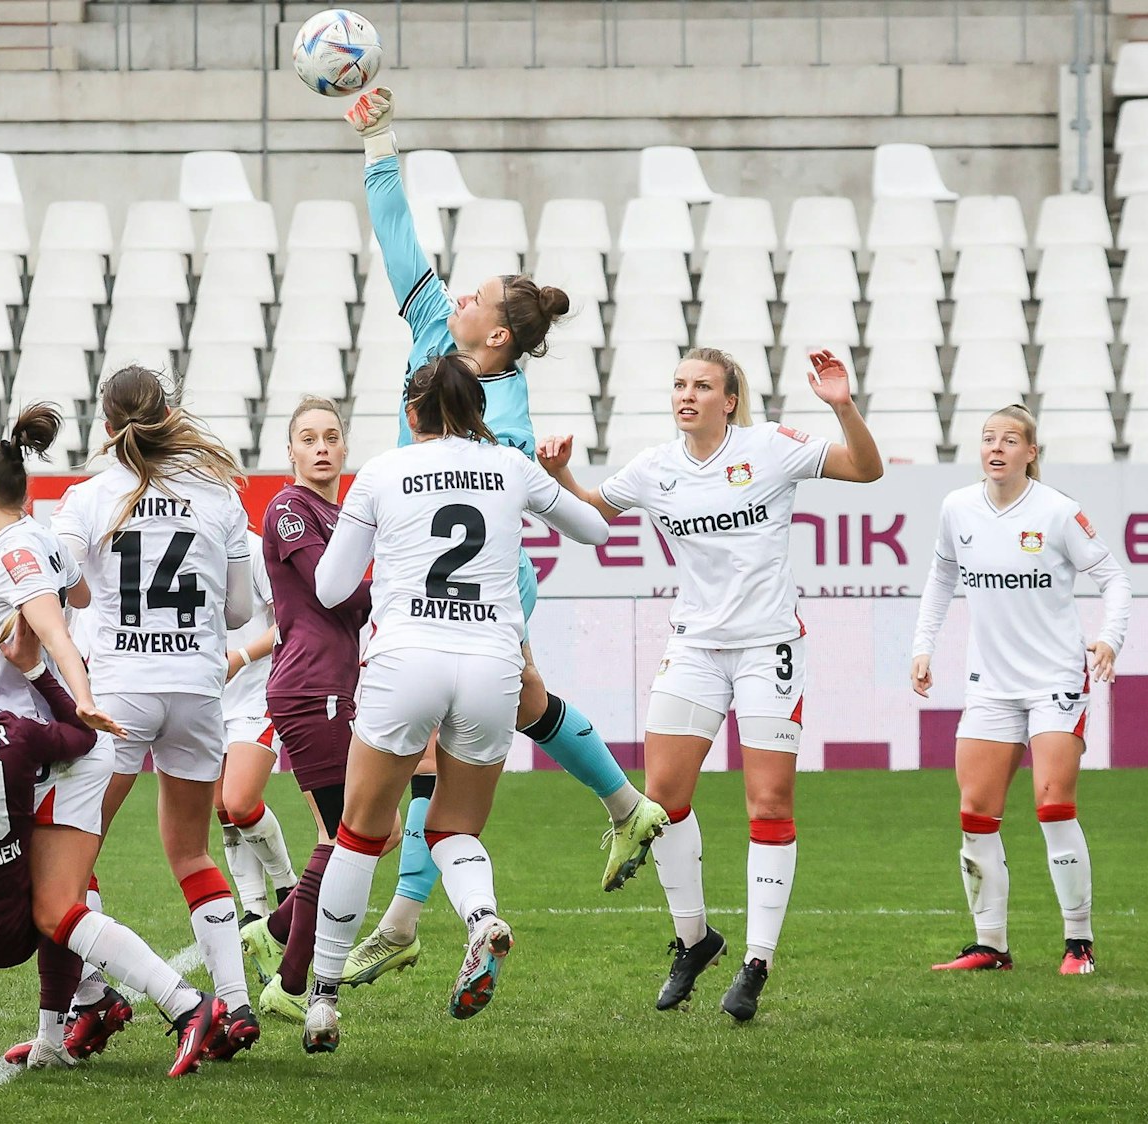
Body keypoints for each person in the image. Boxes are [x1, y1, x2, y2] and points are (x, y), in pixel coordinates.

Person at [340, 85, 668, 985]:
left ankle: (407, 920)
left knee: (428, 753)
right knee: (508, 716)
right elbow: (396, 230)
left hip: (477, 580)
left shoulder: (503, 410)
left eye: (474, 292)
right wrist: (379, 141)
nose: (456, 290)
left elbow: (505, 492)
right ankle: (624, 803)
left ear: (495, 330)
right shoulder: (434, 328)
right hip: (444, 579)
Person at [538, 347, 884, 1021]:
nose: (686, 394)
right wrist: (560, 475)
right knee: (661, 802)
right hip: (694, 646)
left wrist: (842, 405)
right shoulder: (655, 466)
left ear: (729, 399)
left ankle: (756, 962)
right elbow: (591, 519)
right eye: (678, 384)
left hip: (768, 647)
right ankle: (694, 939)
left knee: (769, 803)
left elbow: (866, 470)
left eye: (702, 385)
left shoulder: (772, 447)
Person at [300, 356, 613, 1053]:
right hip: (491, 663)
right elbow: (595, 530)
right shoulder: (509, 466)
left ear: (414, 415)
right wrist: (555, 475)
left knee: (357, 830)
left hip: (406, 656)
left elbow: (328, 587)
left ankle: (322, 998)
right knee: (453, 826)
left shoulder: (383, 470)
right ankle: (480, 919)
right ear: (478, 410)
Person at [0, 405, 212, 1065]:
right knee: (58, 895)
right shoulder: (36, 539)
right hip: (37, 748)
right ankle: (70, 1021)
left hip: (53, 745)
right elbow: (84, 595)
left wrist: (79, 693)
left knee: (54, 903)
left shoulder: (11, 549)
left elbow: (59, 624)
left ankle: (184, 1003)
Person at [0, 627, 220, 1076]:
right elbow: (82, 735)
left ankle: (77, 1016)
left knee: (21, 886)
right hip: (11, 931)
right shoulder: (16, 736)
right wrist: (37, 670)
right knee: (58, 898)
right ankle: (145, 1003)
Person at [49, 367, 262, 1055]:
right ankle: (234, 1005)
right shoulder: (219, 492)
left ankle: (92, 998)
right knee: (193, 850)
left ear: (106, 425)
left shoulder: (85, 497)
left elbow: (69, 593)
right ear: (170, 415)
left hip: (120, 691)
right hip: (198, 691)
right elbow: (236, 612)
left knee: (69, 858)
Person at [910, 404, 1132, 976]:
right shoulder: (957, 508)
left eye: (1010, 439)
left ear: (1031, 452)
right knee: (975, 813)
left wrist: (1109, 638)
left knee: (1053, 805)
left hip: (1056, 678)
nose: (996, 447)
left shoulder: (1058, 513)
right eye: (988, 439)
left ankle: (1078, 944)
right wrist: (922, 646)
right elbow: (941, 577)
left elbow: (1114, 579)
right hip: (990, 684)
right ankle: (991, 947)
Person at [247, 397, 372, 1022]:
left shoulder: (340, 510)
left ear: (344, 448)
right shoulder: (290, 508)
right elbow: (338, 591)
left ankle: (271, 933)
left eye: (331, 436)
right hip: (308, 687)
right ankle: (290, 982)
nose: (321, 447)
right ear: (290, 452)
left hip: (327, 686)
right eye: (308, 438)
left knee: (354, 829)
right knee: (344, 834)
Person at [214, 530, 299, 927]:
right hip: (203, 696)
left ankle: (288, 887)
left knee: (241, 801)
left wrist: (242, 657)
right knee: (222, 808)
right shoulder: (180, 539)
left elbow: (290, 619)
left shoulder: (251, 547)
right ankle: (253, 909)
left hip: (254, 693)